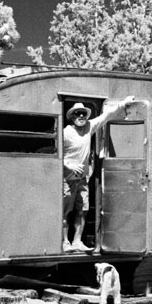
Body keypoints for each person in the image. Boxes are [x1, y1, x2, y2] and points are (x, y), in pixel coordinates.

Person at [62, 96, 136, 252]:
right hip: (66, 179)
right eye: (77, 114)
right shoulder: (66, 133)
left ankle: (77, 241)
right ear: (72, 117)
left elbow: (106, 116)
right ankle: (64, 242)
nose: (81, 116)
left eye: (83, 113)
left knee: (83, 210)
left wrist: (123, 103)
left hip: (82, 179)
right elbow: (54, 154)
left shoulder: (89, 127)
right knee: (65, 211)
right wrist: (68, 166)